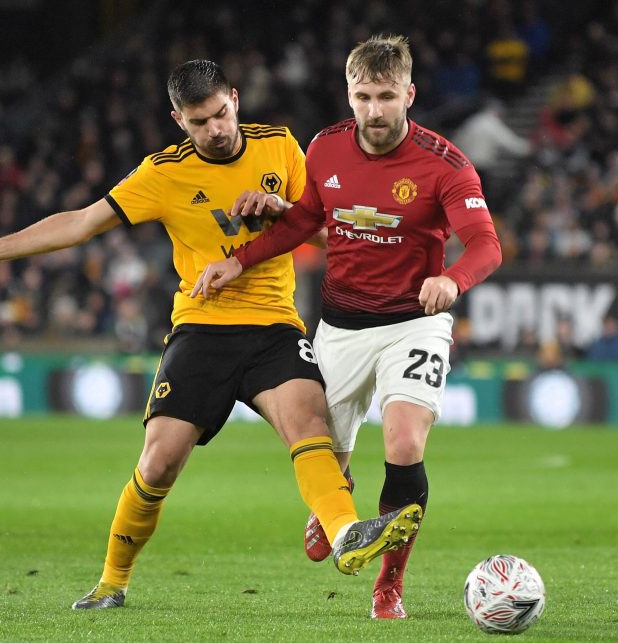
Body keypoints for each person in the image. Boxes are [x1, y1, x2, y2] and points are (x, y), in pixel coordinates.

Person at [0, 60, 421, 611]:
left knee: (310, 424)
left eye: (220, 113)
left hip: (274, 326)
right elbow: (79, 223)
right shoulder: (163, 173)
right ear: (177, 120)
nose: (214, 129)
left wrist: (284, 212)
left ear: (235, 99)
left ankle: (345, 534)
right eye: (198, 122)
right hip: (202, 328)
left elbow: (335, 232)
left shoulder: (281, 146)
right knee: (159, 462)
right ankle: (112, 581)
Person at [192, 36, 502, 619]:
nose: (375, 111)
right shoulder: (325, 148)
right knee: (324, 459)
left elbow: (487, 245)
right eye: (363, 97)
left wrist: (454, 280)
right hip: (339, 327)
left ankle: (389, 586)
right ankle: (336, 500)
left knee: (405, 442)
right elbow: (306, 220)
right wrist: (240, 260)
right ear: (349, 94)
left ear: (409, 94)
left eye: (387, 97)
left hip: (414, 323)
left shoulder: (445, 164)